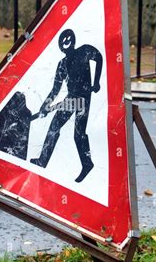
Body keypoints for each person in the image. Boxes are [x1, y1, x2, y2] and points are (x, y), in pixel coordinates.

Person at [30, 29, 103, 183]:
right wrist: (45, 106)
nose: (66, 42)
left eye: (68, 39)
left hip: (83, 98)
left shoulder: (84, 51)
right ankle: (42, 160)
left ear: (74, 40)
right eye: (63, 40)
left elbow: (99, 57)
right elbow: (55, 90)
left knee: (78, 133)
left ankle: (87, 163)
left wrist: (96, 82)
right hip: (71, 99)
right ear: (60, 46)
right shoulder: (62, 64)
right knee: (54, 127)